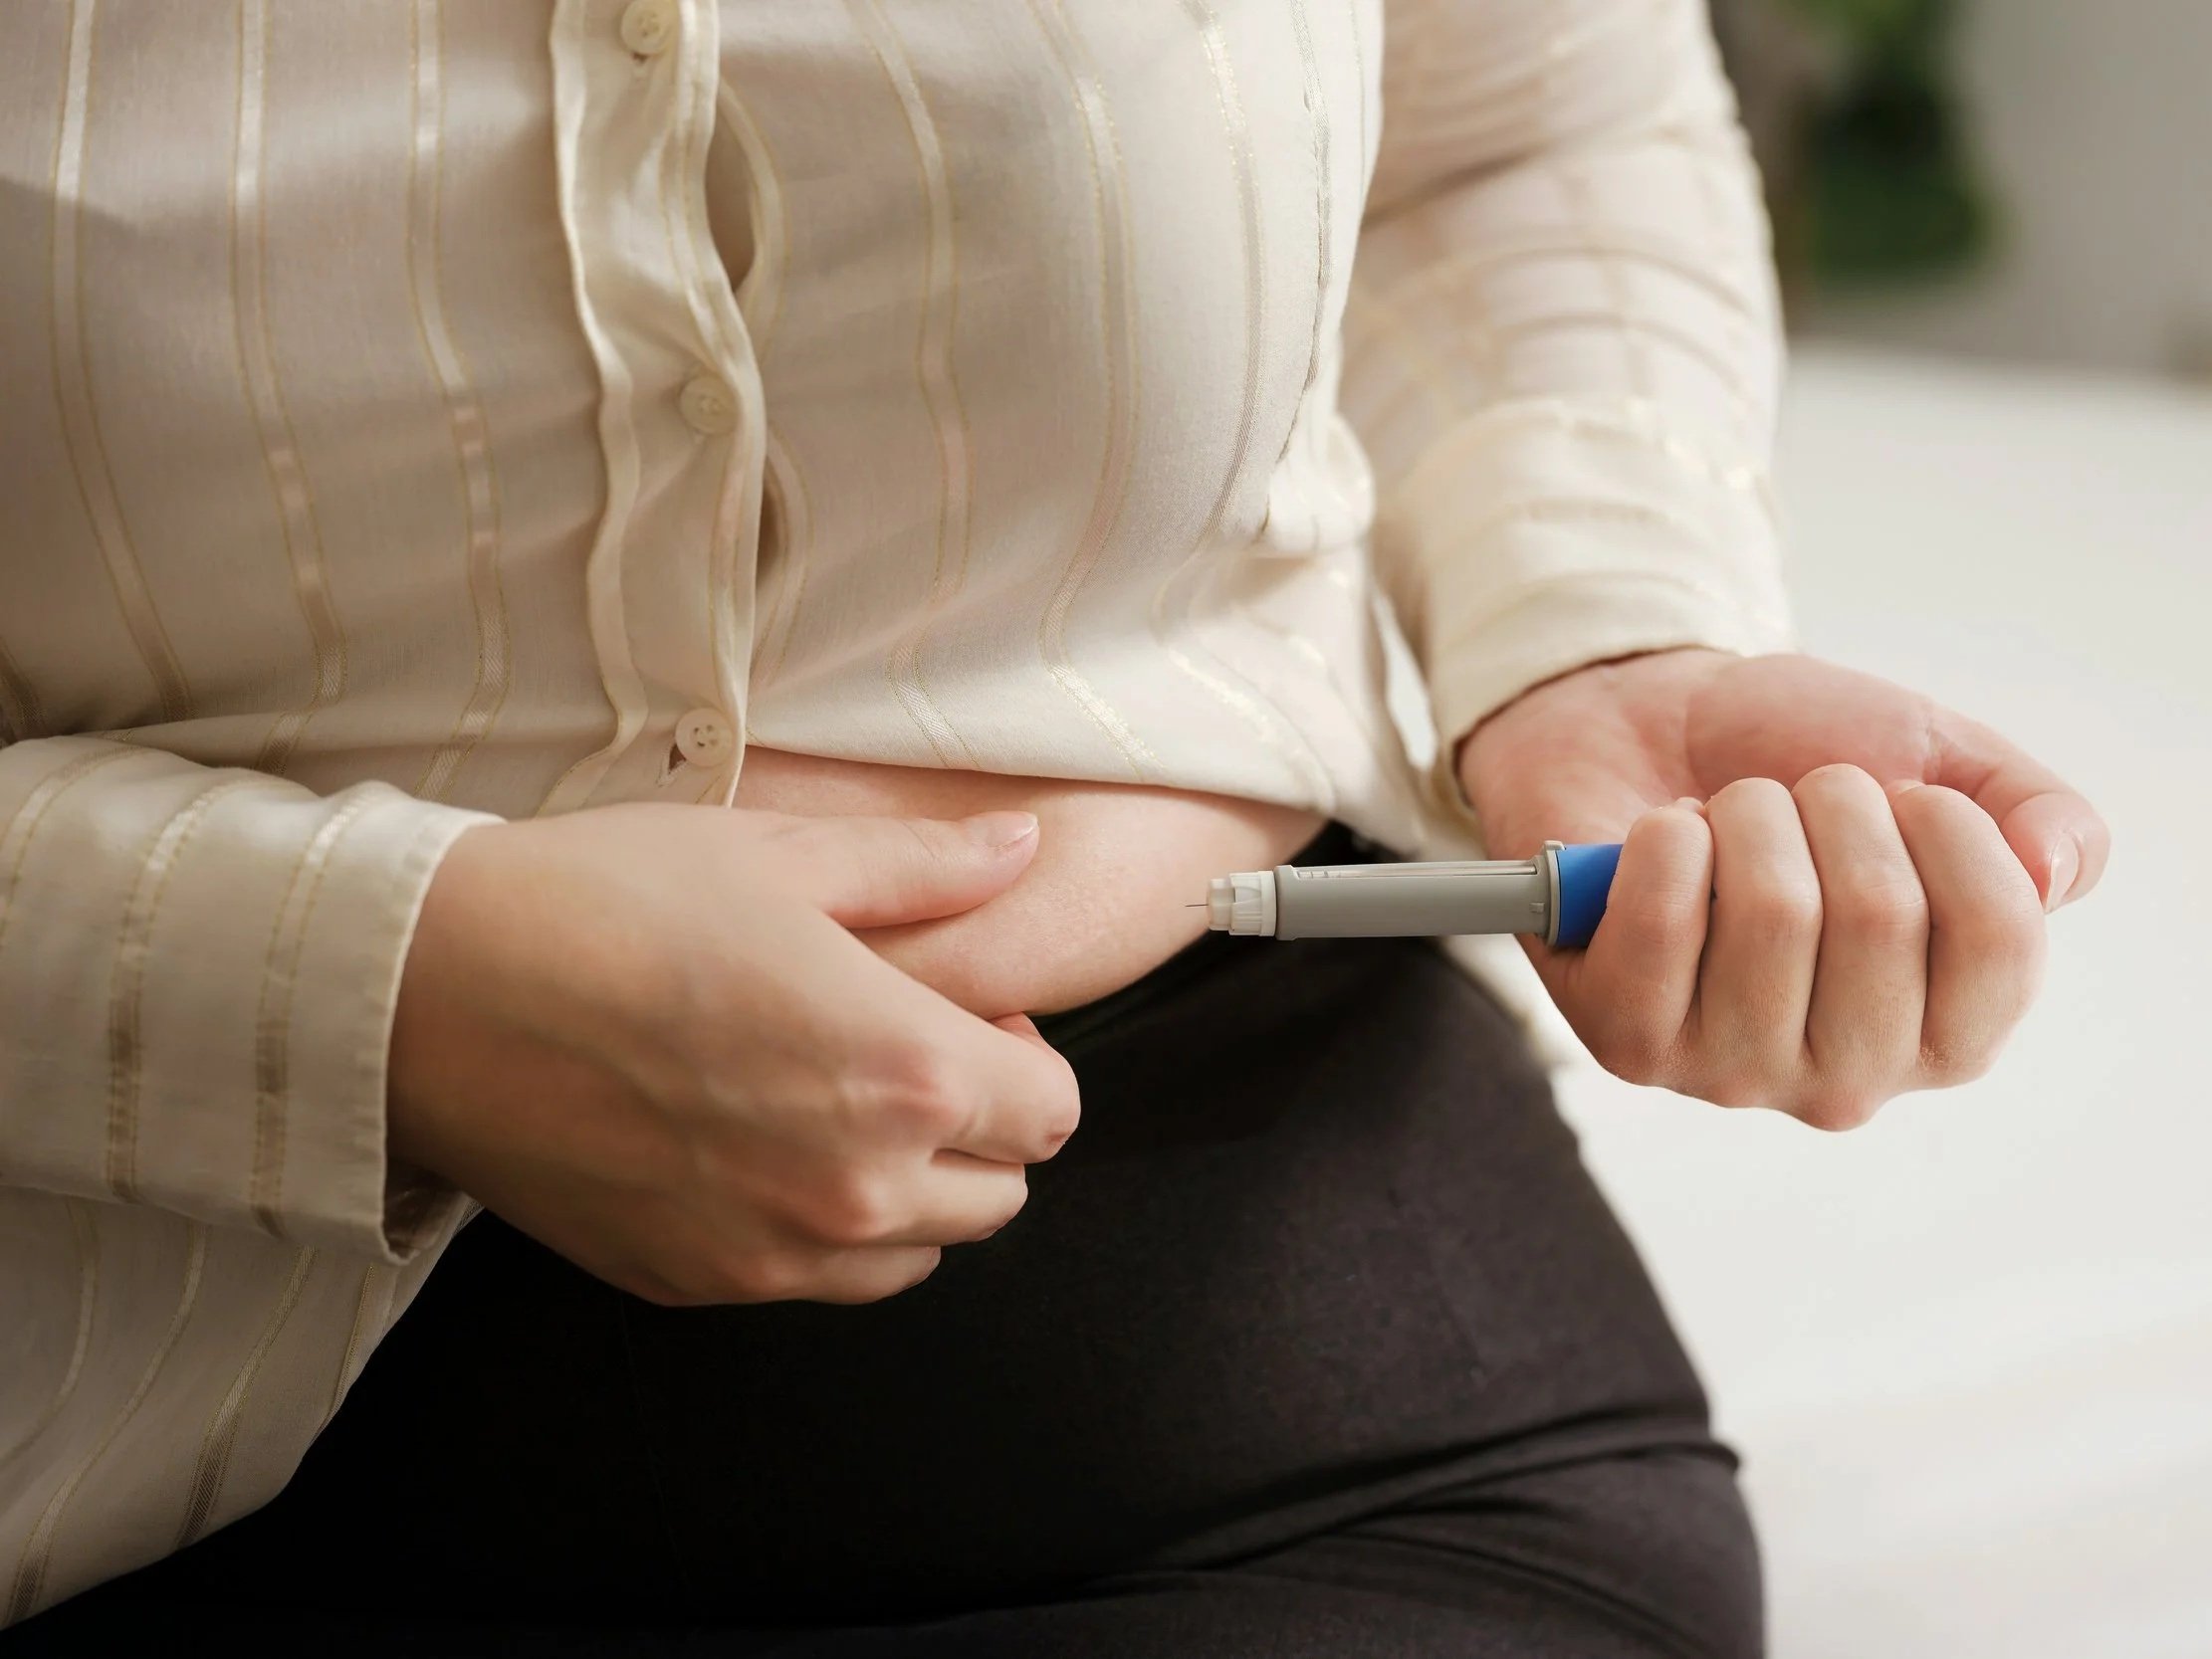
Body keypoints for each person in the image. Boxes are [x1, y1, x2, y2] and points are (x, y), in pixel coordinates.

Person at [0, 1, 2104, 1653]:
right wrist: (351, 986)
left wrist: (1594, 631)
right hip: (119, 1430)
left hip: (1266, 1397)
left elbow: (1505, 131)